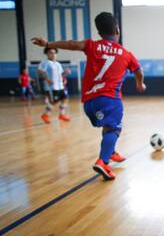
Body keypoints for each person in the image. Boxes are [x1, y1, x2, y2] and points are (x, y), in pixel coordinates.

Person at [31, 12, 146, 180]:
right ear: (117, 30)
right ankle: (103, 162)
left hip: (89, 102)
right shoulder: (126, 54)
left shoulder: (92, 45)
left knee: (108, 126)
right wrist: (139, 83)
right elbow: (138, 71)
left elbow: (71, 44)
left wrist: (48, 43)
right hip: (110, 99)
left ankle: (111, 151)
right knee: (114, 128)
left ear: (99, 33)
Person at [37, 47, 71, 123]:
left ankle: (61, 115)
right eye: (50, 53)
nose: (53, 54)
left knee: (65, 99)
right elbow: (40, 71)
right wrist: (47, 79)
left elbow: (61, 74)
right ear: (47, 54)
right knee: (54, 102)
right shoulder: (45, 62)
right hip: (52, 87)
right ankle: (45, 115)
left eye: (54, 53)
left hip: (60, 86)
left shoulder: (58, 64)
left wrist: (66, 72)